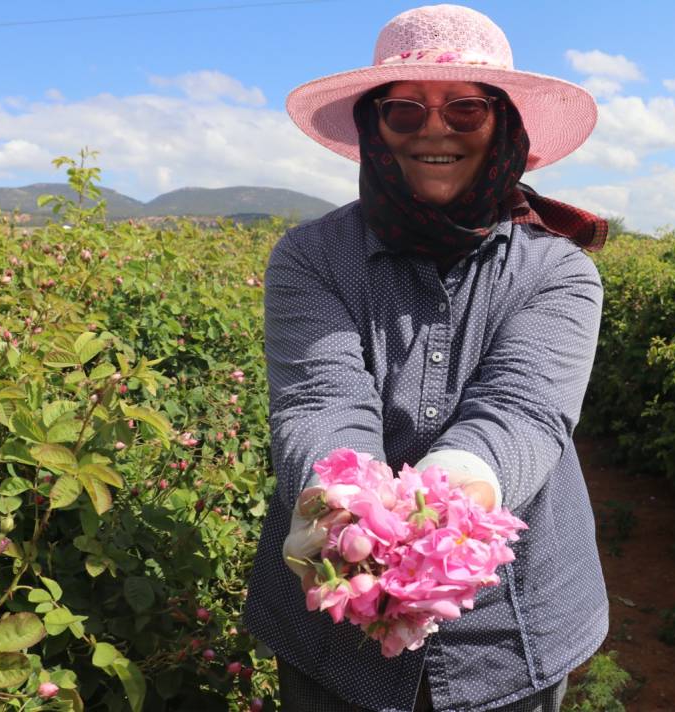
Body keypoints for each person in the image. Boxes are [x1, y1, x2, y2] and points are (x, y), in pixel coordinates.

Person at [243, 5, 610, 711]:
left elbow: (524, 410)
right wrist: (343, 510)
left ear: (504, 125)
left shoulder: (557, 271)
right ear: (373, 127)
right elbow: (322, 400)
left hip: (511, 633)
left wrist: (452, 494)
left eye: (466, 110)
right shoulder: (312, 258)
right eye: (404, 111)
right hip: (333, 634)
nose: (435, 129)